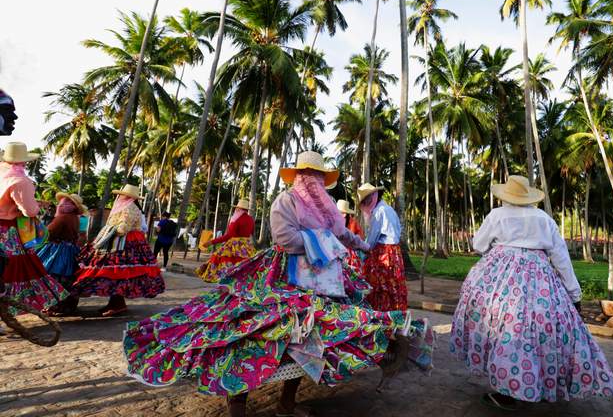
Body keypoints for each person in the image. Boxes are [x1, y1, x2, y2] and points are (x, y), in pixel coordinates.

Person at [123, 152, 434, 417]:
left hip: (323, 280)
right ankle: (238, 399)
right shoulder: (284, 201)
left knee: (311, 334)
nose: (312, 179)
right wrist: (325, 244)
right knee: (254, 325)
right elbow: (285, 239)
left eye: (317, 174)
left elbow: (341, 234)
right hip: (282, 274)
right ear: (298, 176)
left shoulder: (326, 208)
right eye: (308, 173)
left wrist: (363, 247)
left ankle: (287, 403)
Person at [450, 176, 613, 411]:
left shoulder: (496, 215)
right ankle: (533, 383)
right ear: (528, 195)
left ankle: (509, 390)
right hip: (539, 276)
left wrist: (501, 250)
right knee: (536, 328)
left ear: (505, 195)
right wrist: (574, 294)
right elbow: (560, 255)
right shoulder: (543, 218)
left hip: (498, 276)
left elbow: (479, 246)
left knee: (501, 325)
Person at [67, 184, 165, 316]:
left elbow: (122, 229)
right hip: (126, 241)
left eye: (122, 195)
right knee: (116, 272)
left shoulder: (129, 208)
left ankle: (118, 303)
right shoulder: (128, 207)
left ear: (128, 197)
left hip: (125, 243)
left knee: (117, 271)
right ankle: (115, 302)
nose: (120, 197)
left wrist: (108, 230)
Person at [0, 142, 68, 315]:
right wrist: (38, 207)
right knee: (12, 267)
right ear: (25, 162)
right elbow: (29, 211)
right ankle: (6, 310)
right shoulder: (21, 181)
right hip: (6, 232)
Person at [357, 183, 408, 312]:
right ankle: (395, 315)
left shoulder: (378, 212)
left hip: (383, 253)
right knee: (393, 286)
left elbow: (372, 238)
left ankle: (381, 317)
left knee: (379, 286)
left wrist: (363, 257)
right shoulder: (389, 209)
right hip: (395, 253)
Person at [38, 193, 87, 315]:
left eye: (61, 203)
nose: (59, 205)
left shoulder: (62, 217)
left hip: (59, 249)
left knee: (51, 274)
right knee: (69, 276)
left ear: (65, 205)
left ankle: (53, 306)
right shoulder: (75, 217)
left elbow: (49, 233)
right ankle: (67, 305)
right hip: (72, 248)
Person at [196, 199, 255, 283]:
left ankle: (217, 277)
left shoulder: (236, 219)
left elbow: (229, 235)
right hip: (246, 245)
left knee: (219, 257)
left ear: (238, 209)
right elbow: (252, 232)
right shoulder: (251, 219)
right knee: (245, 261)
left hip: (234, 244)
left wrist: (211, 242)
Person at [337, 199, 365, 274]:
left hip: (337, 251)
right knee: (352, 274)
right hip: (351, 254)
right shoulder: (354, 222)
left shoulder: (334, 221)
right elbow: (360, 237)